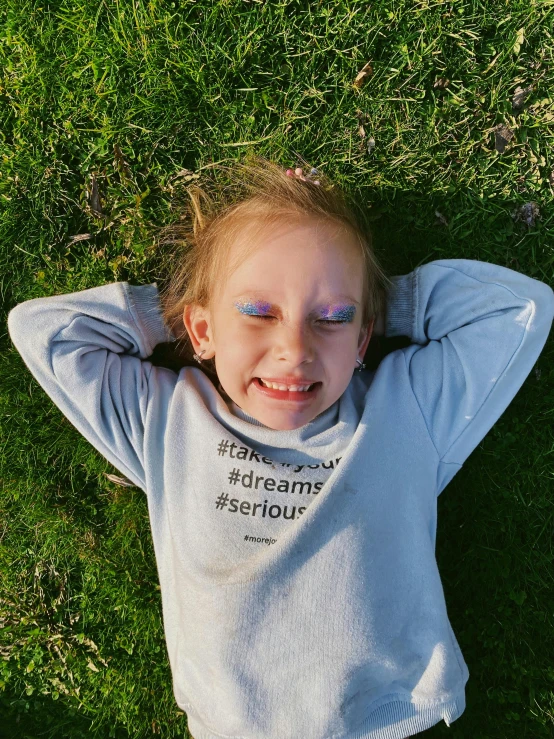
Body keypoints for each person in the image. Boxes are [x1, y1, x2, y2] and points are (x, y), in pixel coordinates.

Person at [7, 155, 554, 739]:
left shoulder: (404, 411)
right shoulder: (167, 421)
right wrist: (190, 298)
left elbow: (517, 310)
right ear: (202, 332)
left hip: (386, 720)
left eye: (333, 318)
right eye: (258, 312)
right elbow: (47, 332)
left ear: (365, 335)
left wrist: (377, 298)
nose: (295, 348)